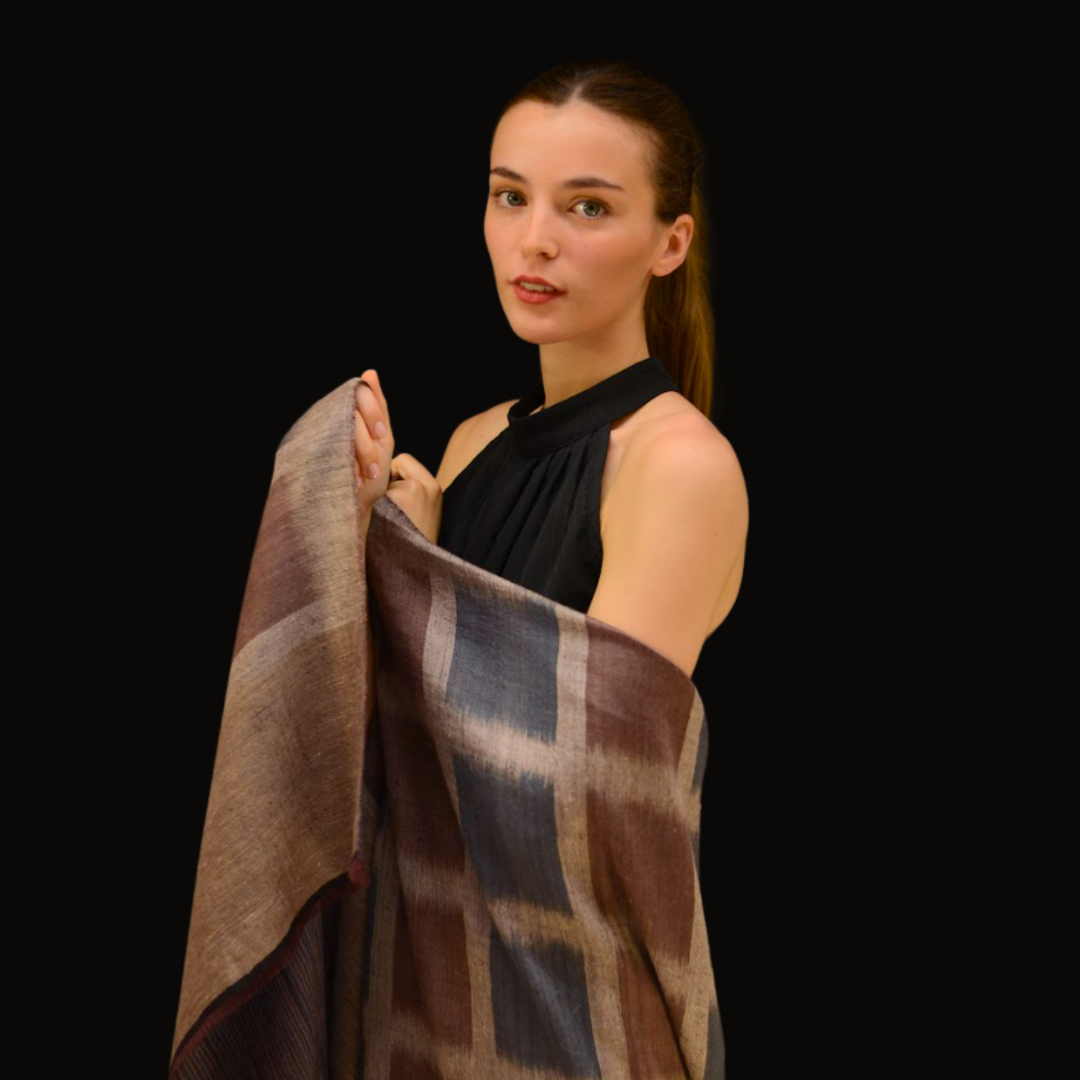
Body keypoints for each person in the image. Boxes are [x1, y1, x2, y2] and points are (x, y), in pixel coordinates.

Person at [352, 60, 748, 679]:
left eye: (588, 207)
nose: (534, 238)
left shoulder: (679, 467)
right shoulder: (473, 440)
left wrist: (413, 573)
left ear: (670, 244)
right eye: (511, 197)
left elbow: (590, 759)